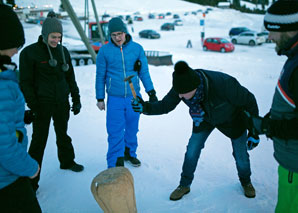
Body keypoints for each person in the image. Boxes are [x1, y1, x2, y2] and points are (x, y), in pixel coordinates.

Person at [132, 61, 260, 200]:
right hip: (203, 118)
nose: (180, 96)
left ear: (195, 87)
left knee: (240, 155)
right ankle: (184, 185)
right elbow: (165, 105)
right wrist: (145, 107)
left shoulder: (224, 84)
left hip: (232, 119)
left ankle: (246, 182)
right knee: (192, 150)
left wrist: (254, 131)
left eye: (183, 94)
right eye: (178, 93)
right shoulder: (182, 84)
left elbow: (249, 101)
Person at [19, 11, 84, 192]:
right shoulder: (30, 53)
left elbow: (70, 77)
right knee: (39, 142)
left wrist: (76, 99)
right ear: (45, 34)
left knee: (63, 133)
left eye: (59, 37)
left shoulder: (63, 52)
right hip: (42, 105)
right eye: (53, 36)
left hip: (61, 102)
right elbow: (25, 82)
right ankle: (31, 181)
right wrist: (34, 105)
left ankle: (67, 161)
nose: (56, 40)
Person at [245, 1, 298, 212]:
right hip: (290, 161)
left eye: (271, 32)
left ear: (287, 29)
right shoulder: (293, 58)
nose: (268, 37)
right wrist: (268, 120)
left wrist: (269, 127)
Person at [96, 17, 158, 168]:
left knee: (132, 127)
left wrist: (151, 92)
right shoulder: (104, 51)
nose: (117, 38)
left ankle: (130, 153)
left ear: (125, 32)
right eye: (114, 35)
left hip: (134, 96)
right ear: (110, 36)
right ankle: (115, 160)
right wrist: (100, 97)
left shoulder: (137, 49)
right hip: (115, 97)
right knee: (115, 129)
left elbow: (144, 72)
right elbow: (100, 75)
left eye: (120, 34)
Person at [0, 4, 41, 212]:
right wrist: (31, 168)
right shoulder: (3, 83)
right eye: (15, 44)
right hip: (7, 180)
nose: (18, 50)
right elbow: (3, 145)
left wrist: (17, 117)